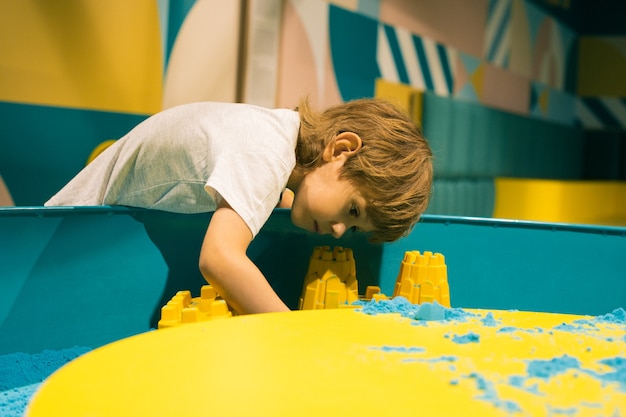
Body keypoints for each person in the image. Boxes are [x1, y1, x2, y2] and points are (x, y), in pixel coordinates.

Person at [45, 98, 433, 314]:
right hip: (59, 245)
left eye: (352, 230)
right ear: (341, 150)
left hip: (87, 242)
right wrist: (294, 333)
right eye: (352, 212)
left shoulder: (277, 137)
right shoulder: (265, 153)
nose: (337, 231)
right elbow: (219, 259)